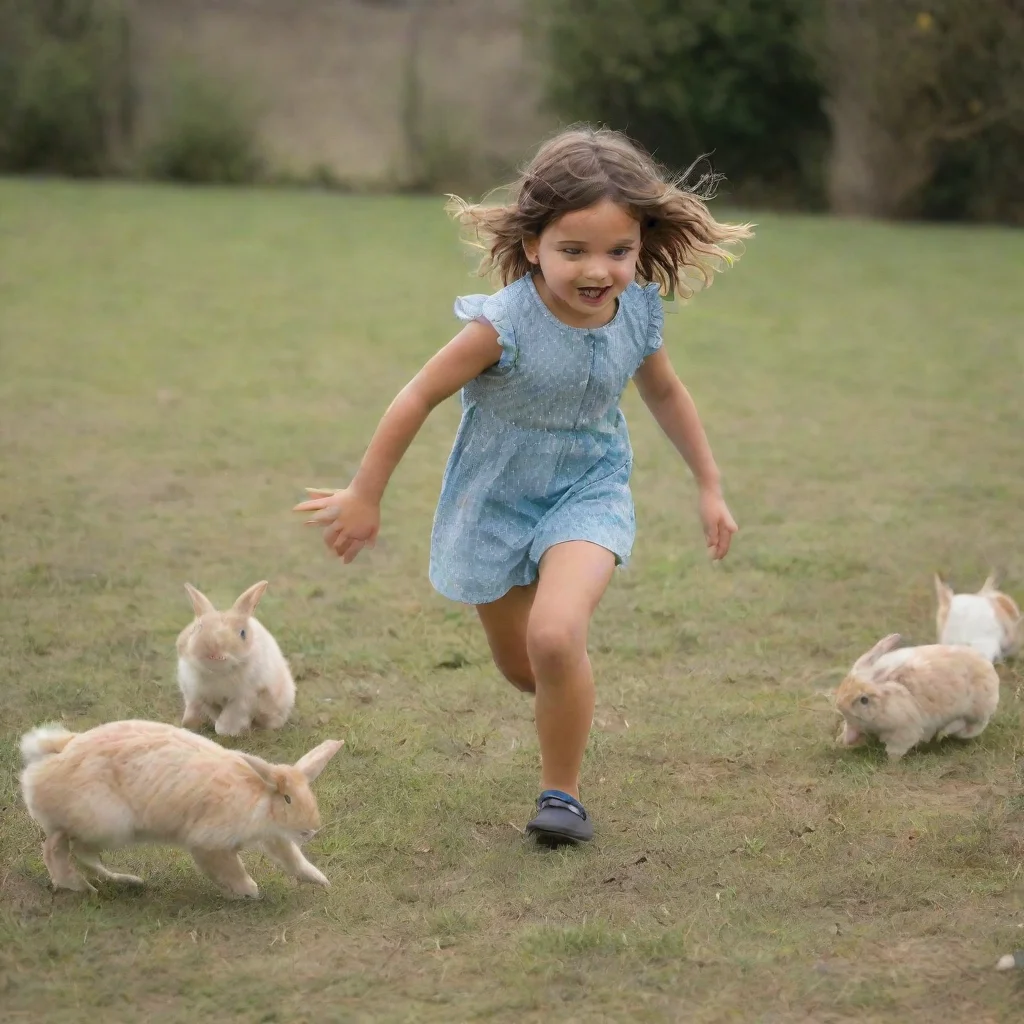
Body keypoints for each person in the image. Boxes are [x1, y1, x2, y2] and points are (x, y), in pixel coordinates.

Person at [295, 125, 751, 845]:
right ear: (533, 244)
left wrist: (710, 483)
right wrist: (365, 493)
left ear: (640, 243)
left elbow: (664, 393)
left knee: (556, 633)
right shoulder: (499, 327)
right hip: (495, 503)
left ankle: (560, 798)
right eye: (574, 250)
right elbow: (416, 396)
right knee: (526, 667)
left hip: (589, 492)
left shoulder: (637, 312)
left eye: (618, 251)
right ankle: (567, 694)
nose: (598, 270)